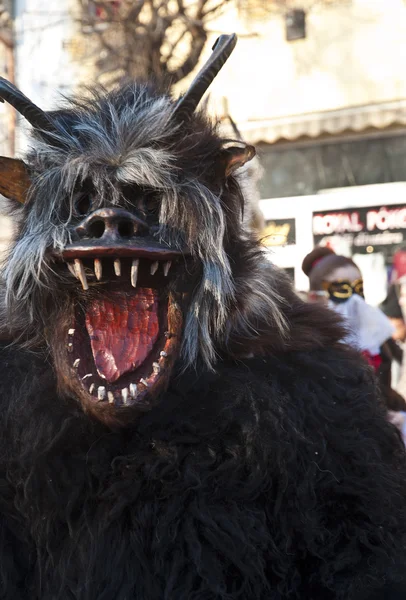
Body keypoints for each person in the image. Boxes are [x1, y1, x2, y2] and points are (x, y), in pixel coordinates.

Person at [302, 246, 406, 413]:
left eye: (358, 289)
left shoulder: (376, 342)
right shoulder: (303, 351)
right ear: (314, 298)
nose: (354, 300)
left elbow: (387, 396)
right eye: (341, 290)